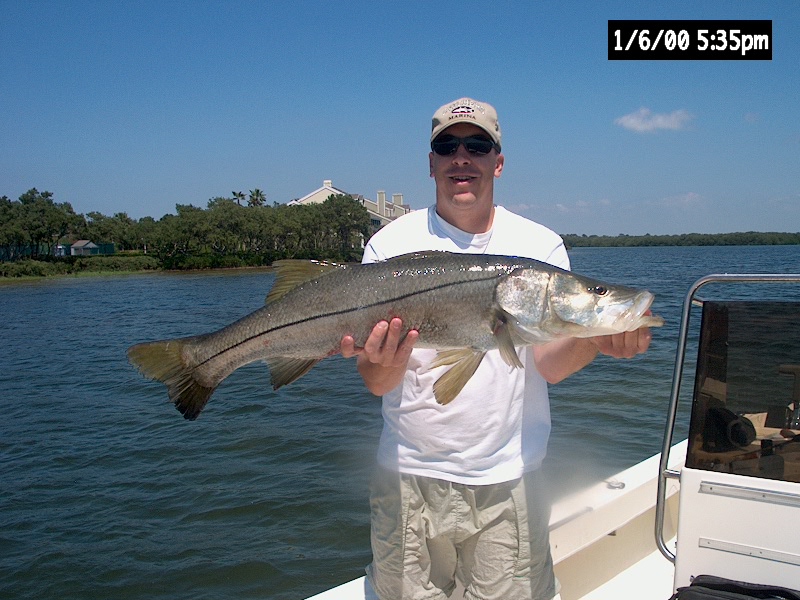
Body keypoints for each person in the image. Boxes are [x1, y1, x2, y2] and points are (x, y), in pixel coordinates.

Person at [341, 97, 653, 600]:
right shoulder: (387, 247)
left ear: (498, 162)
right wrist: (382, 363)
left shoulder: (541, 246)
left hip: (511, 479)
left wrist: (592, 339)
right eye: (447, 146)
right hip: (407, 476)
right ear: (431, 163)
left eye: (477, 145)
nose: (461, 157)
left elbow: (548, 366)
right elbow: (376, 381)